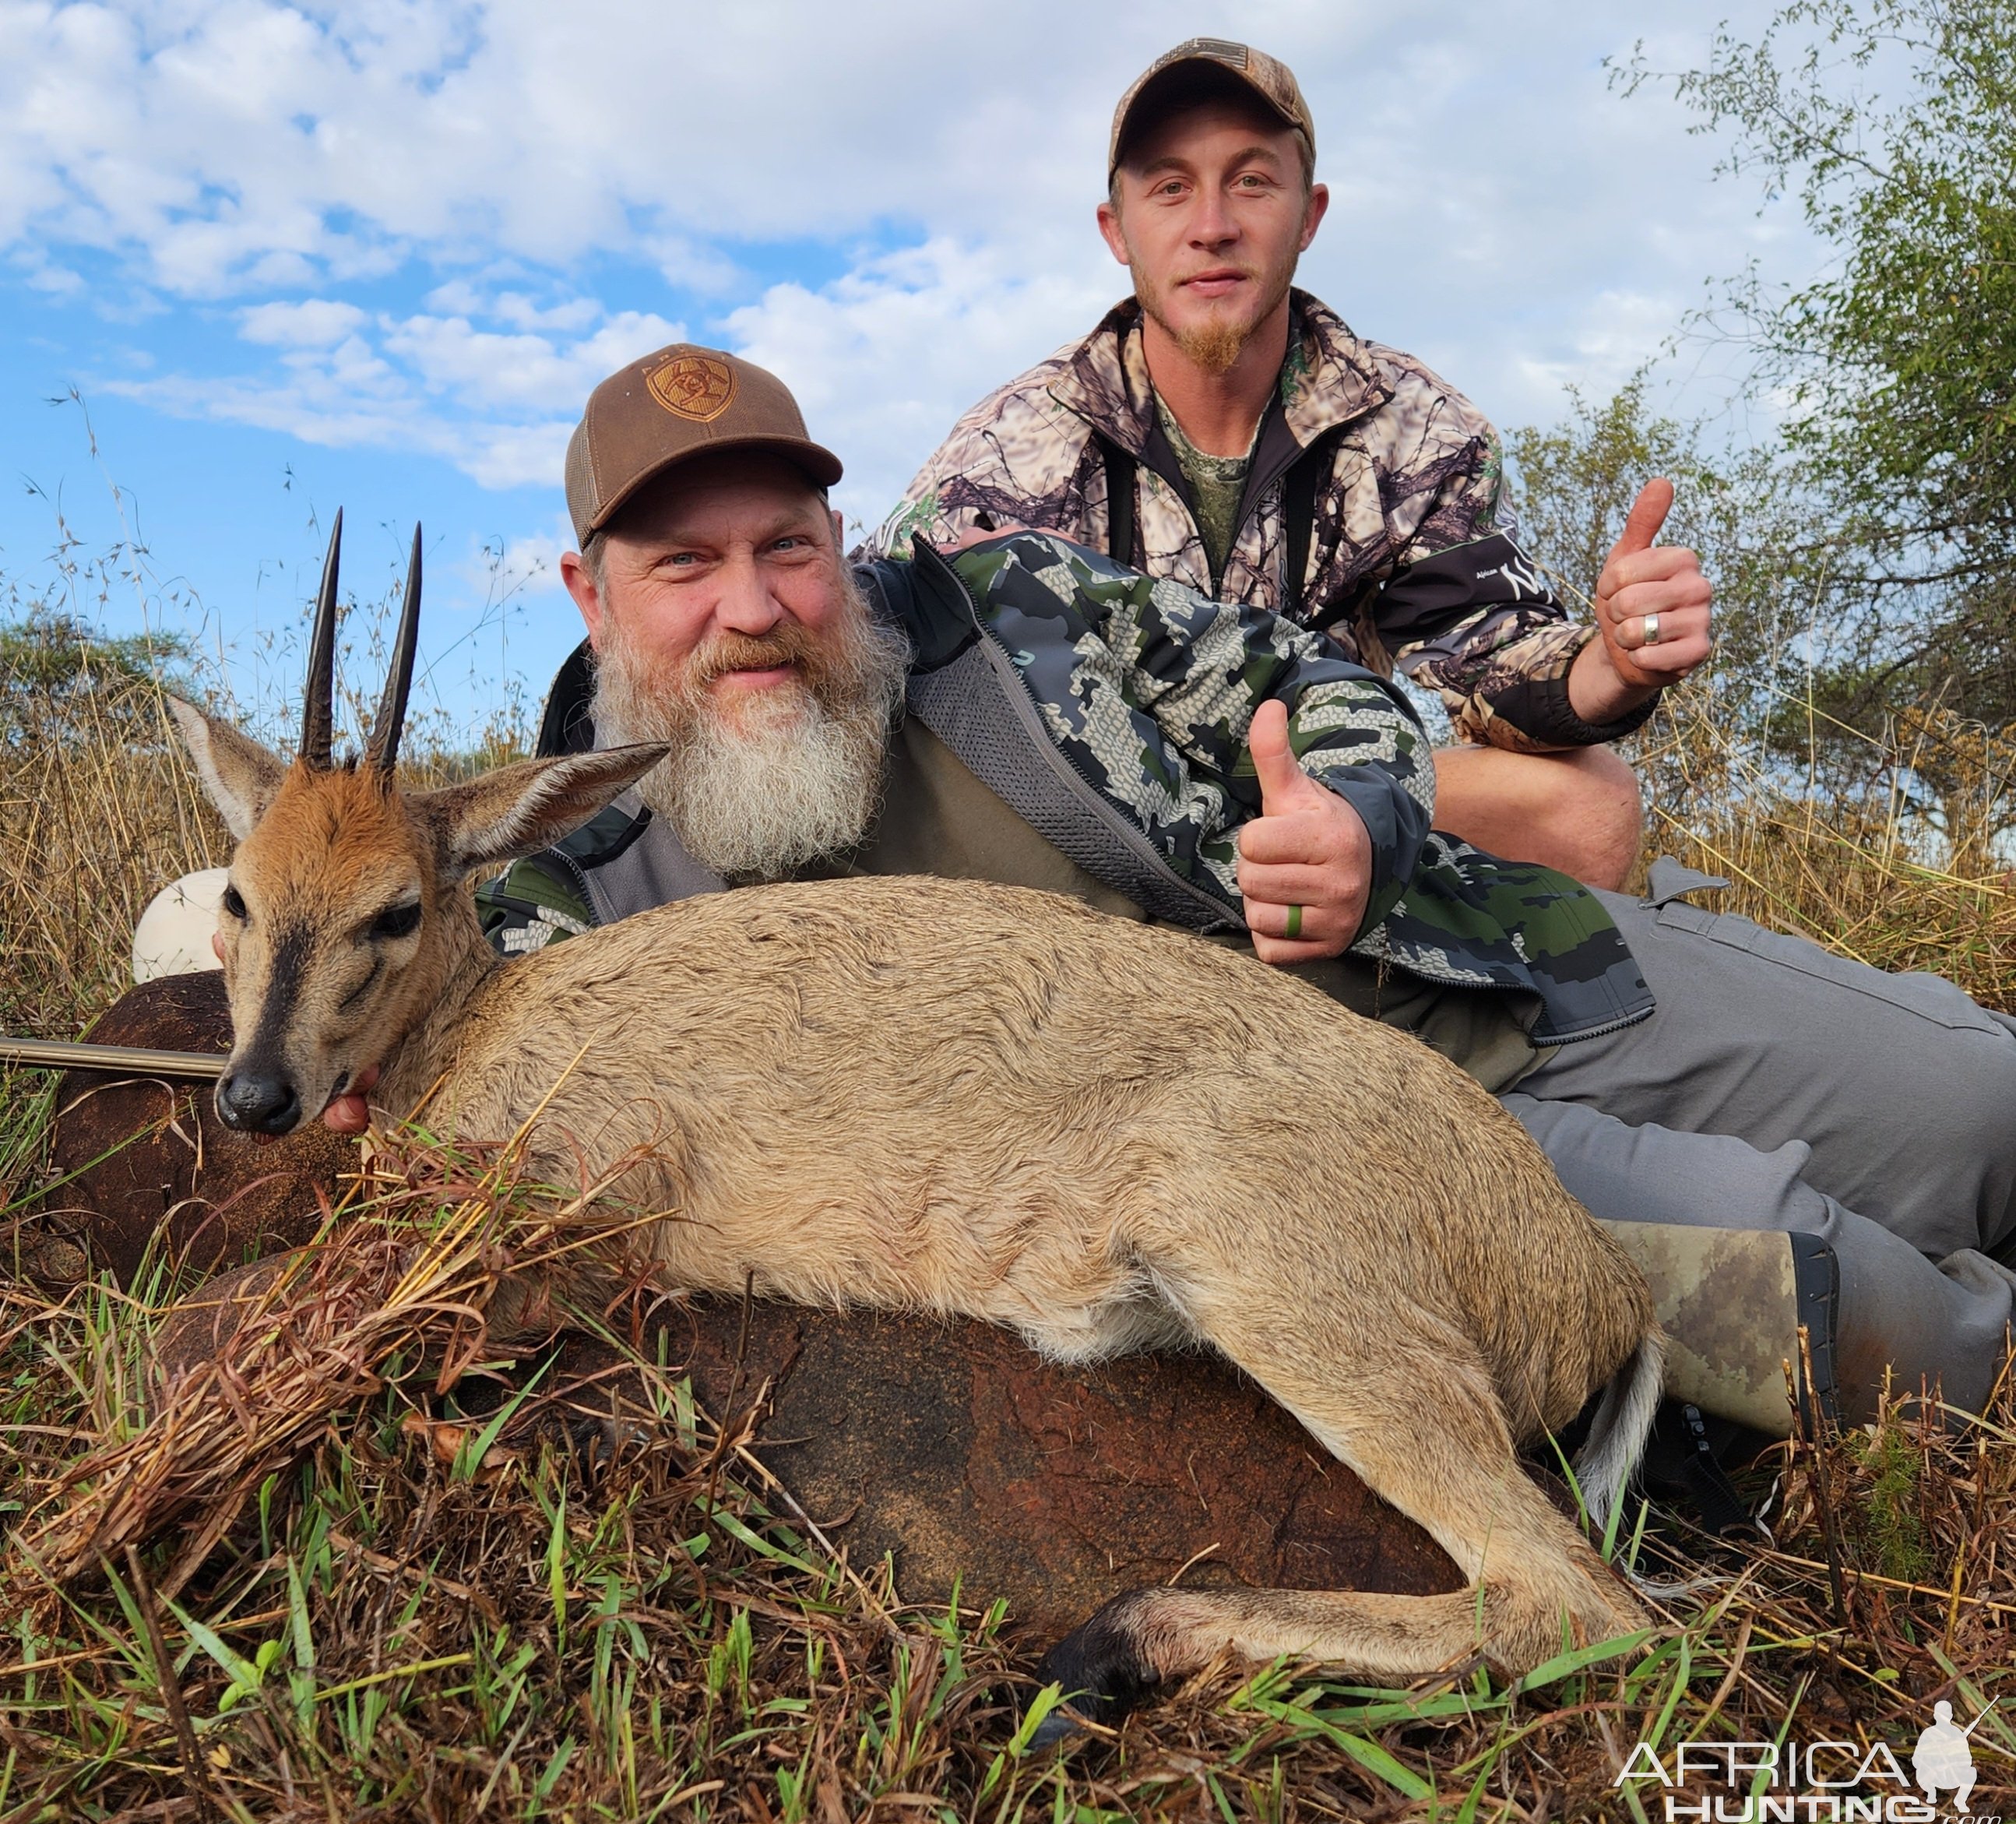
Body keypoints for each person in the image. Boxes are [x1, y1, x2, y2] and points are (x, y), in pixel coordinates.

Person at [466, 342, 2016, 1441]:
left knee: (1975, 1101)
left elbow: (1310, 685)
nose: (755, 608)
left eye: (786, 547)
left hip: (1474, 969)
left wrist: (1351, 822)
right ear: (587, 590)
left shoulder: (1001, 611)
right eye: (683, 565)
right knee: (1849, 1316)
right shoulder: (559, 889)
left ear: (835, 535)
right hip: (1330, 1182)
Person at [863, 39, 1715, 893]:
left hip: (1328, 813)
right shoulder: (1009, 444)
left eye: (1252, 181)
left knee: (1588, 806)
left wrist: (1614, 663)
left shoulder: (1412, 429)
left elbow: (1493, 666)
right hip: (1101, 826)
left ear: (1309, 215)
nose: (1212, 226)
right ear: (1116, 231)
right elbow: (874, 647)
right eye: (1170, 188)